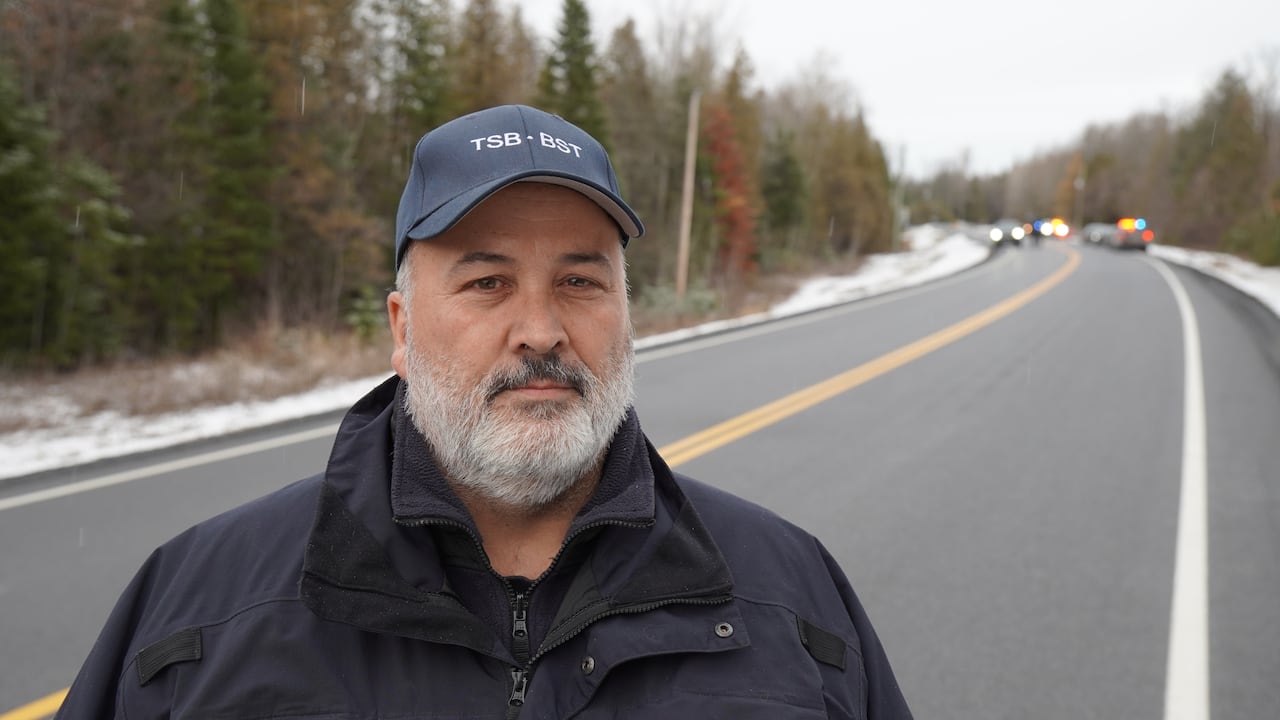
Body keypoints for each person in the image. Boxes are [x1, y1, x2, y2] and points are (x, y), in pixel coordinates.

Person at [56, 104, 913, 719]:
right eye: (486, 283)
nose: (540, 330)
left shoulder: (786, 601)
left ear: (626, 315)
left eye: (580, 282)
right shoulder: (202, 610)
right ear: (402, 328)